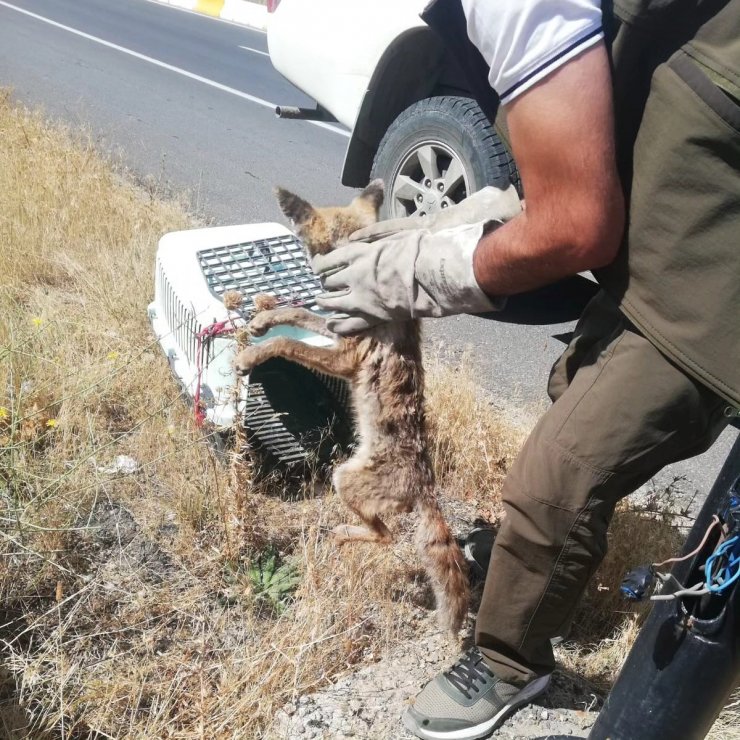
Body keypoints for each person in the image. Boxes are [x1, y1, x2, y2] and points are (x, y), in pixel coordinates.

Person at [312, 0, 740, 737]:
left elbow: (577, 224)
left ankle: (512, 661)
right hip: (665, 235)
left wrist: (430, 266)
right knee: (574, 389)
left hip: (713, 286)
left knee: (557, 475)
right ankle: (542, 571)